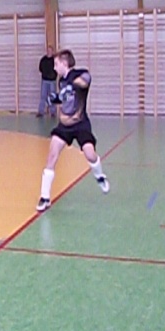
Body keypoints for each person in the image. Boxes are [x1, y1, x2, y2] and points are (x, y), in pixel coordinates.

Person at [36, 49, 109, 212]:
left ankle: (99, 176)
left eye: (56, 64)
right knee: (52, 155)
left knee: (90, 154)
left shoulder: (79, 74)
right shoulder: (61, 81)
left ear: (64, 63)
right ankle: (44, 197)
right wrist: (55, 99)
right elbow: (65, 99)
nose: (54, 68)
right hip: (64, 127)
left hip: (80, 124)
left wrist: (72, 86)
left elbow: (86, 80)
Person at [37, 45, 57, 118]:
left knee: (52, 96)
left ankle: (53, 112)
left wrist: (53, 75)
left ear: (52, 51)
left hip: (52, 81)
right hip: (44, 80)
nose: (49, 52)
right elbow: (40, 68)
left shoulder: (55, 60)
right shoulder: (43, 59)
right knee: (43, 96)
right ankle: (41, 112)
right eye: (48, 50)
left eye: (50, 50)